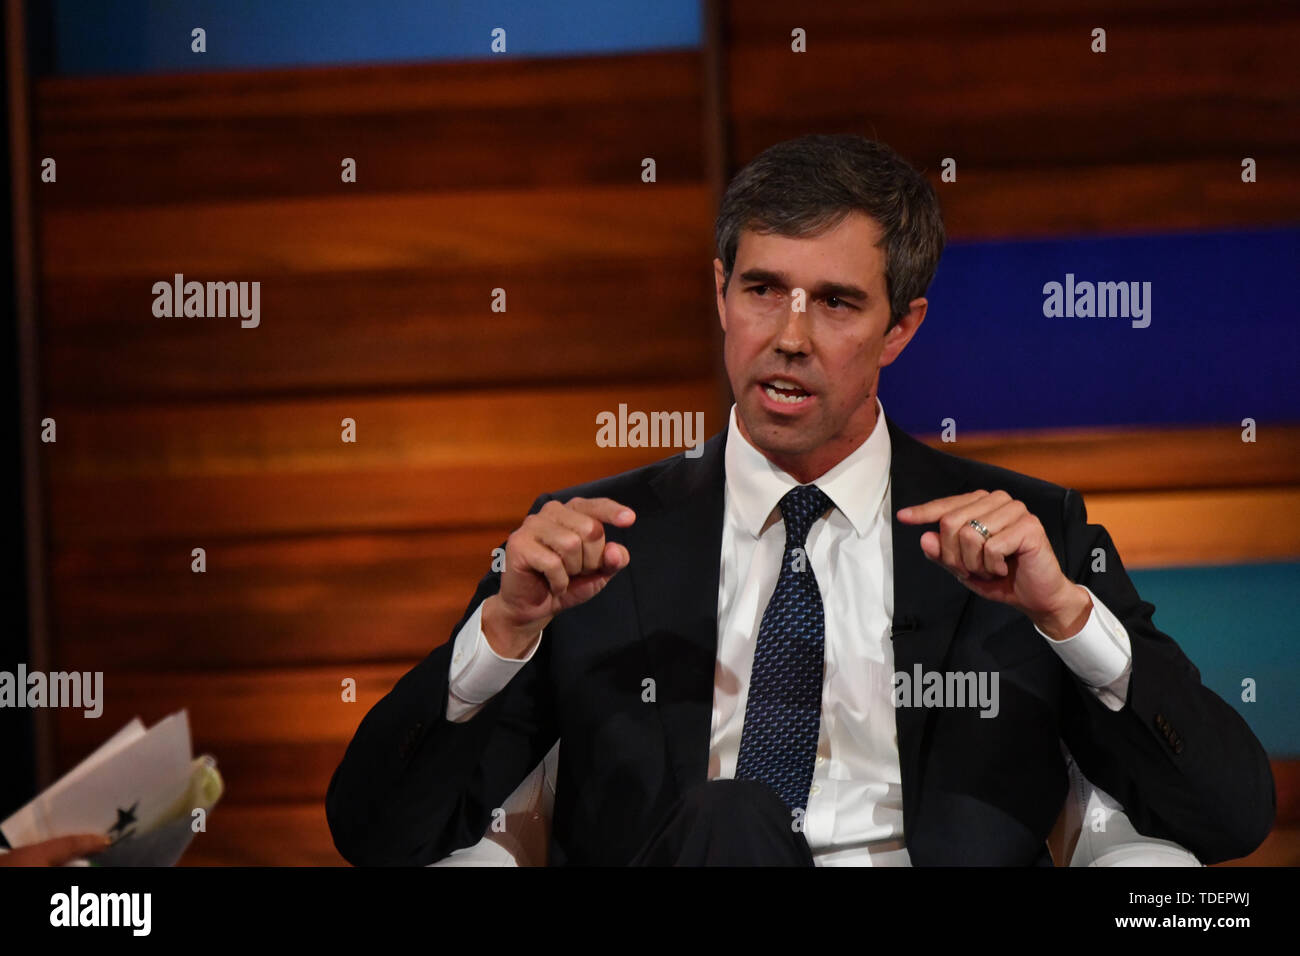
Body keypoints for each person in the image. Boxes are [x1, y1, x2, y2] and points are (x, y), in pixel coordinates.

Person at [326, 134, 1275, 866]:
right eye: (762, 289)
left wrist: (1069, 616)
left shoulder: (1029, 539)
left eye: (835, 302)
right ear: (719, 294)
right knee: (732, 813)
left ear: (901, 328)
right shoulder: (595, 545)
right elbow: (374, 831)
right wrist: (500, 632)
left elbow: (1229, 818)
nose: (787, 334)